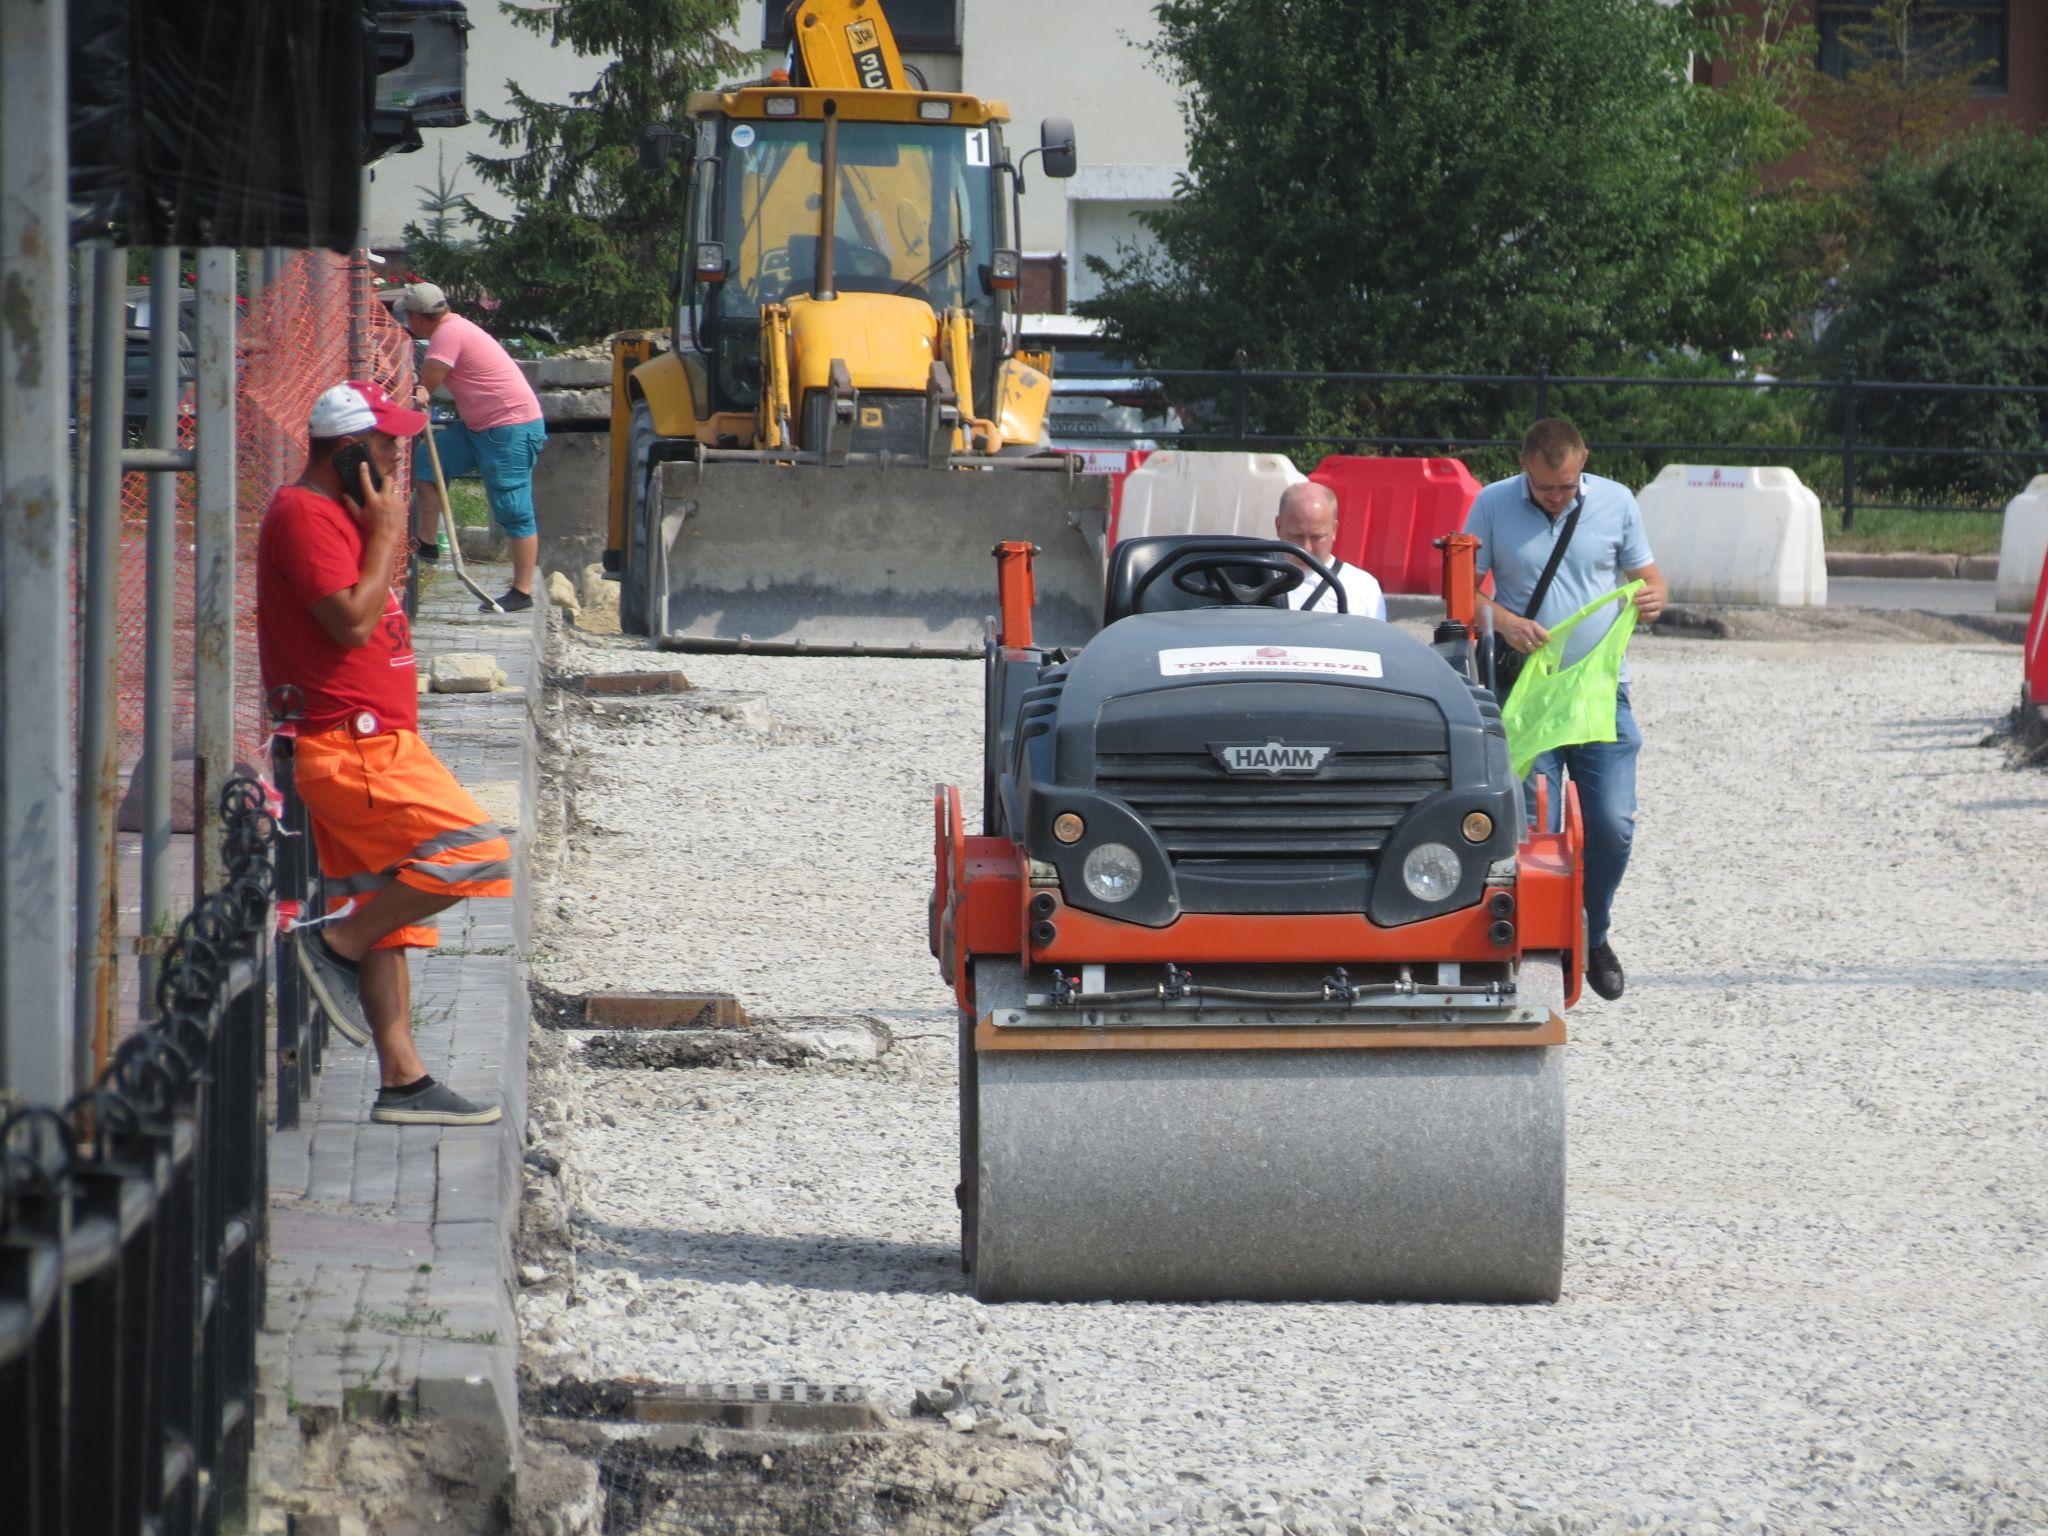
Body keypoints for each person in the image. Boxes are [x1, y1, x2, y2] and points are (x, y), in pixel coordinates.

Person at [257, 380, 512, 1125]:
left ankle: (404, 1081)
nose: (397, 460)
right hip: (353, 744)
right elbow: (349, 623)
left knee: (388, 914)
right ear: (347, 456)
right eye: (386, 447)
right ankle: (333, 947)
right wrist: (387, 537)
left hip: (373, 738)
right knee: (476, 852)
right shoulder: (306, 516)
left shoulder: (336, 511)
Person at [1464, 418, 1667, 1002]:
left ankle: (1592, 931)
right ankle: (1539, 947)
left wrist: (1654, 597)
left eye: (1568, 486)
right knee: (1538, 829)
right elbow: (1461, 591)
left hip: (1601, 691)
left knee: (1612, 823)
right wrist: (1504, 622)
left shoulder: (1616, 501)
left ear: (1584, 464)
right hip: (1528, 693)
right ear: (1524, 465)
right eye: (1547, 487)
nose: (1558, 496)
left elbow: (1649, 579)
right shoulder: (1492, 504)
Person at [395, 281, 547, 612]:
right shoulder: (453, 328)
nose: (408, 326)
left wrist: (420, 391)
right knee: (427, 465)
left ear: (418, 317)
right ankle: (428, 543)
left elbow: (430, 380)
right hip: (480, 427)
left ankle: (522, 591)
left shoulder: (450, 333)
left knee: (512, 507)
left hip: (510, 427)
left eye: (408, 319)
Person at [1274, 482, 1387, 619]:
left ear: (1334, 530)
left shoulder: (1361, 588)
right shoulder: (1253, 577)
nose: (1306, 548)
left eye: (1317, 537)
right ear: (1279, 527)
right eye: (1297, 535)